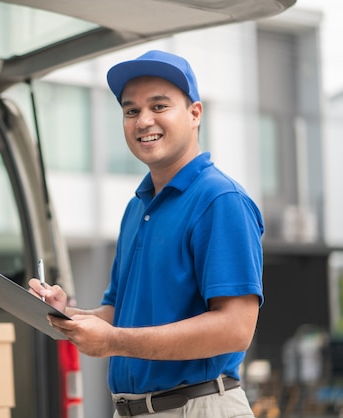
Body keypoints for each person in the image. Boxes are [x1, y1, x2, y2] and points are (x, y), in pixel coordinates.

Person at [30, 50, 265, 417]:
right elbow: (117, 313)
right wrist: (69, 315)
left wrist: (114, 342)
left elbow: (235, 328)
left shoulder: (219, 199)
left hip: (197, 407)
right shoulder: (138, 207)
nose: (143, 121)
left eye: (159, 106)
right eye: (131, 110)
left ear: (194, 114)